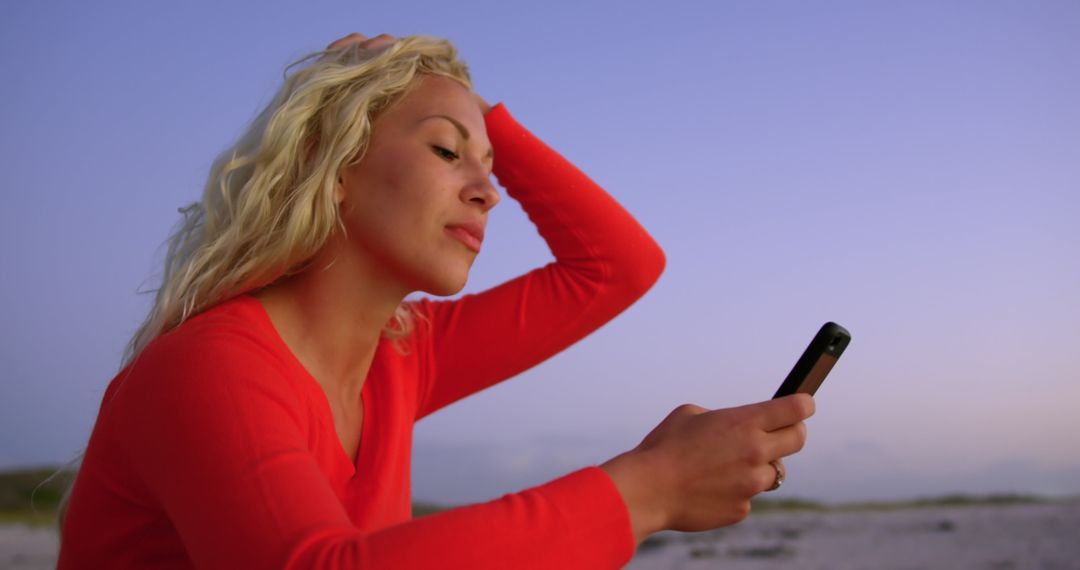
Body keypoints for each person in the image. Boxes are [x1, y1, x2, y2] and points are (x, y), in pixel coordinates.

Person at [54, 32, 814, 569]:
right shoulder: (206, 368)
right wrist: (652, 488)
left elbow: (618, 267)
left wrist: (476, 117)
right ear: (332, 165)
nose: (488, 192)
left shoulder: (403, 354)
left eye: (488, 168)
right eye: (447, 153)